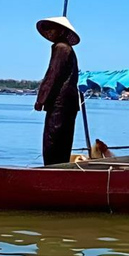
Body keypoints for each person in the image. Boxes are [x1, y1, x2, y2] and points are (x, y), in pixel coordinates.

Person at [34, 16, 80, 165]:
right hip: (68, 103)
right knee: (63, 141)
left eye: (51, 29)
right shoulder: (66, 49)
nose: (49, 33)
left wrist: (41, 100)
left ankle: (53, 170)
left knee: (53, 141)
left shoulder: (61, 48)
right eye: (47, 29)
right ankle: (59, 169)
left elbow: (52, 75)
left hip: (61, 103)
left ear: (61, 31)